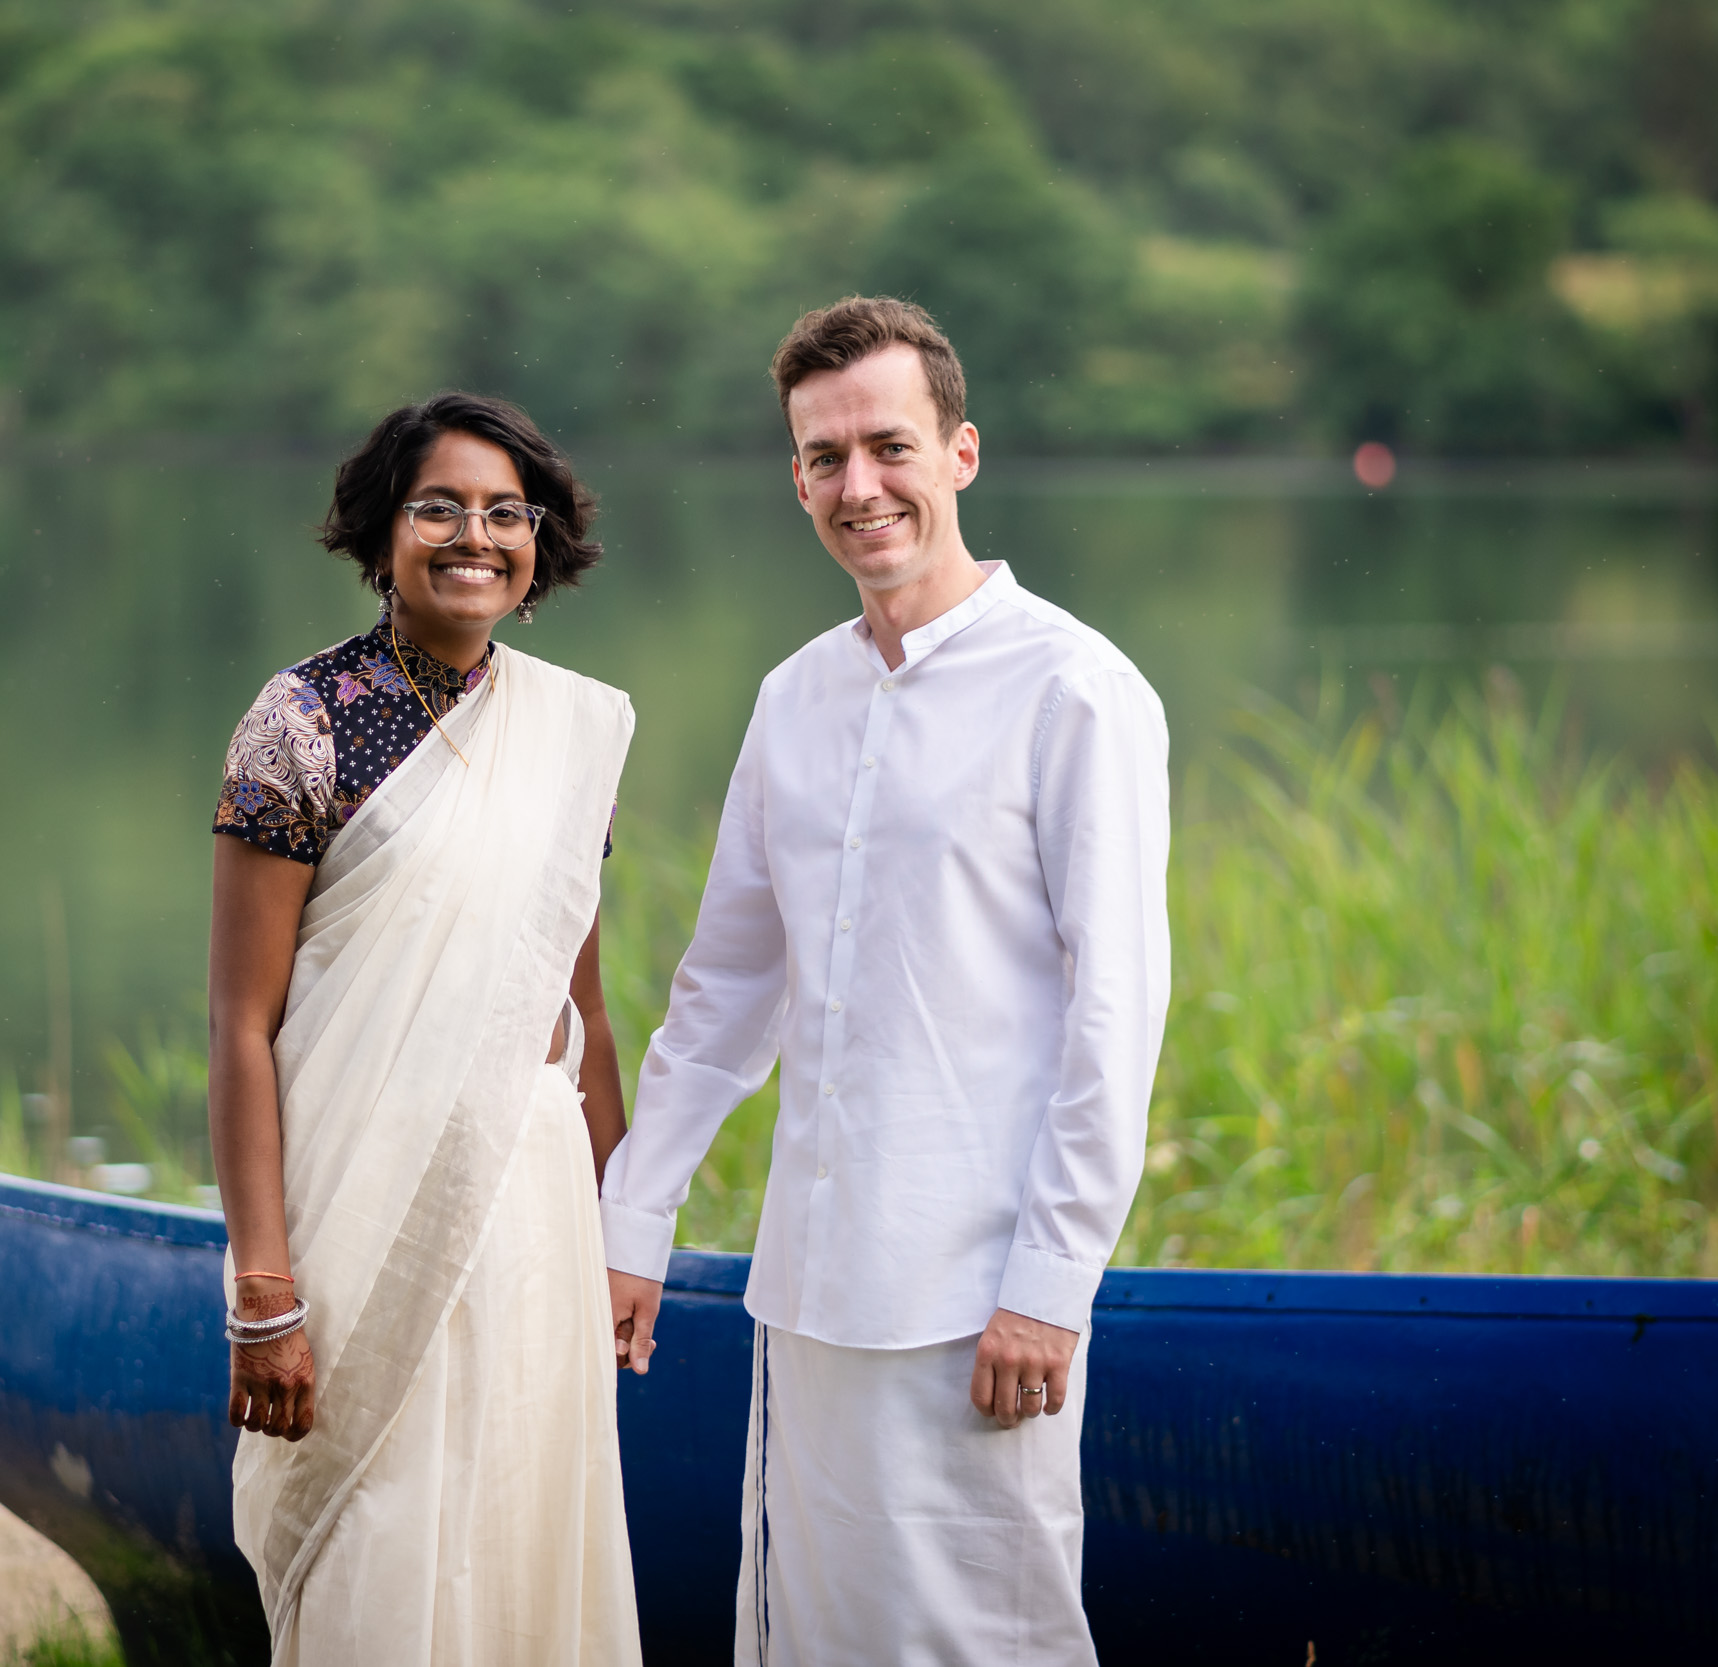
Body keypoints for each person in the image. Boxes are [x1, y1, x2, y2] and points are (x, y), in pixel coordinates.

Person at [600, 297, 1171, 1665]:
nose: (860, 486)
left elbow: (1119, 1006)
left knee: (988, 1636)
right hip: (809, 1288)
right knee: (810, 1628)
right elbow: (729, 986)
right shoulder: (793, 697)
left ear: (960, 453)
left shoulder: (1077, 689)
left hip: (982, 1298)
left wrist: (1051, 1277)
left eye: (889, 446)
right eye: (823, 456)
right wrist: (634, 1213)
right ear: (794, 475)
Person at [208, 392, 643, 1666]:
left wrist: (623, 1233)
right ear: (381, 529)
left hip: (530, 1215)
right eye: (440, 506)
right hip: (355, 1208)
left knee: (519, 1532)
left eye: (506, 512)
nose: (475, 536)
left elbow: (584, 1009)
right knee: (373, 1543)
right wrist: (263, 1288)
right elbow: (242, 1023)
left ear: (540, 542)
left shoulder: (568, 734)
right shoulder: (301, 724)